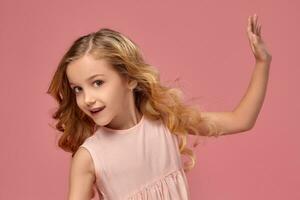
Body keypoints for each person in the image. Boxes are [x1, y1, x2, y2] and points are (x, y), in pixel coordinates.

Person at [47, 13, 272, 200]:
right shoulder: (89, 157)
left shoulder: (165, 119)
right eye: (78, 89)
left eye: (98, 83)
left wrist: (263, 63)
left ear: (130, 79)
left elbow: (241, 120)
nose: (87, 98)